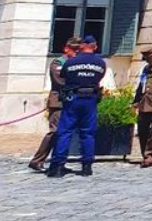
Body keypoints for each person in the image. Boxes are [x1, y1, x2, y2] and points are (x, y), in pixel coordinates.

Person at [45, 34, 108, 178]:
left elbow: (65, 77)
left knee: (65, 132)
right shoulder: (100, 63)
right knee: (88, 133)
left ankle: (58, 166)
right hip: (90, 98)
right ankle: (87, 167)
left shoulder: (71, 62)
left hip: (73, 98)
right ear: (95, 47)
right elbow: (100, 77)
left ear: (81, 46)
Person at [29, 37, 79, 172]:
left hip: (71, 102)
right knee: (55, 132)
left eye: (78, 51)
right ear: (66, 49)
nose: (75, 53)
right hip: (58, 102)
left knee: (65, 133)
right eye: (73, 50)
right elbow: (60, 81)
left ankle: (59, 161)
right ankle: (37, 160)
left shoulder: (75, 64)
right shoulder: (58, 62)